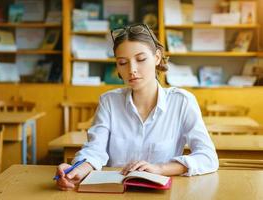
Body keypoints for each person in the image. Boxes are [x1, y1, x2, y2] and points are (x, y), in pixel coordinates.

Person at [56, 23, 219, 190]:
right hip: (116, 192)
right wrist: (76, 171)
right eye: (122, 62)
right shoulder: (109, 102)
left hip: (160, 194)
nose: (132, 70)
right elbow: (95, 150)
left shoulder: (182, 101)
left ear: (156, 57)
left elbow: (208, 157)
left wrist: (161, 169)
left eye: (141, 59)